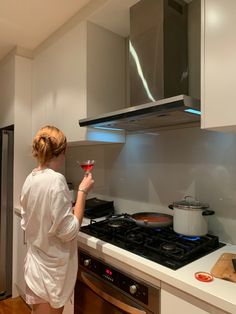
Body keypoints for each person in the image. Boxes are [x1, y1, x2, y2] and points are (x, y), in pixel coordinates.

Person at [20, 125, 94, 314]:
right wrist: (83, 192)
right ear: (62, 151)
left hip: (36, 267)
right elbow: (69, 231)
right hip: (50, 274)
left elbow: (29, 219)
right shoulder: (56, 180)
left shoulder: (31, 178)